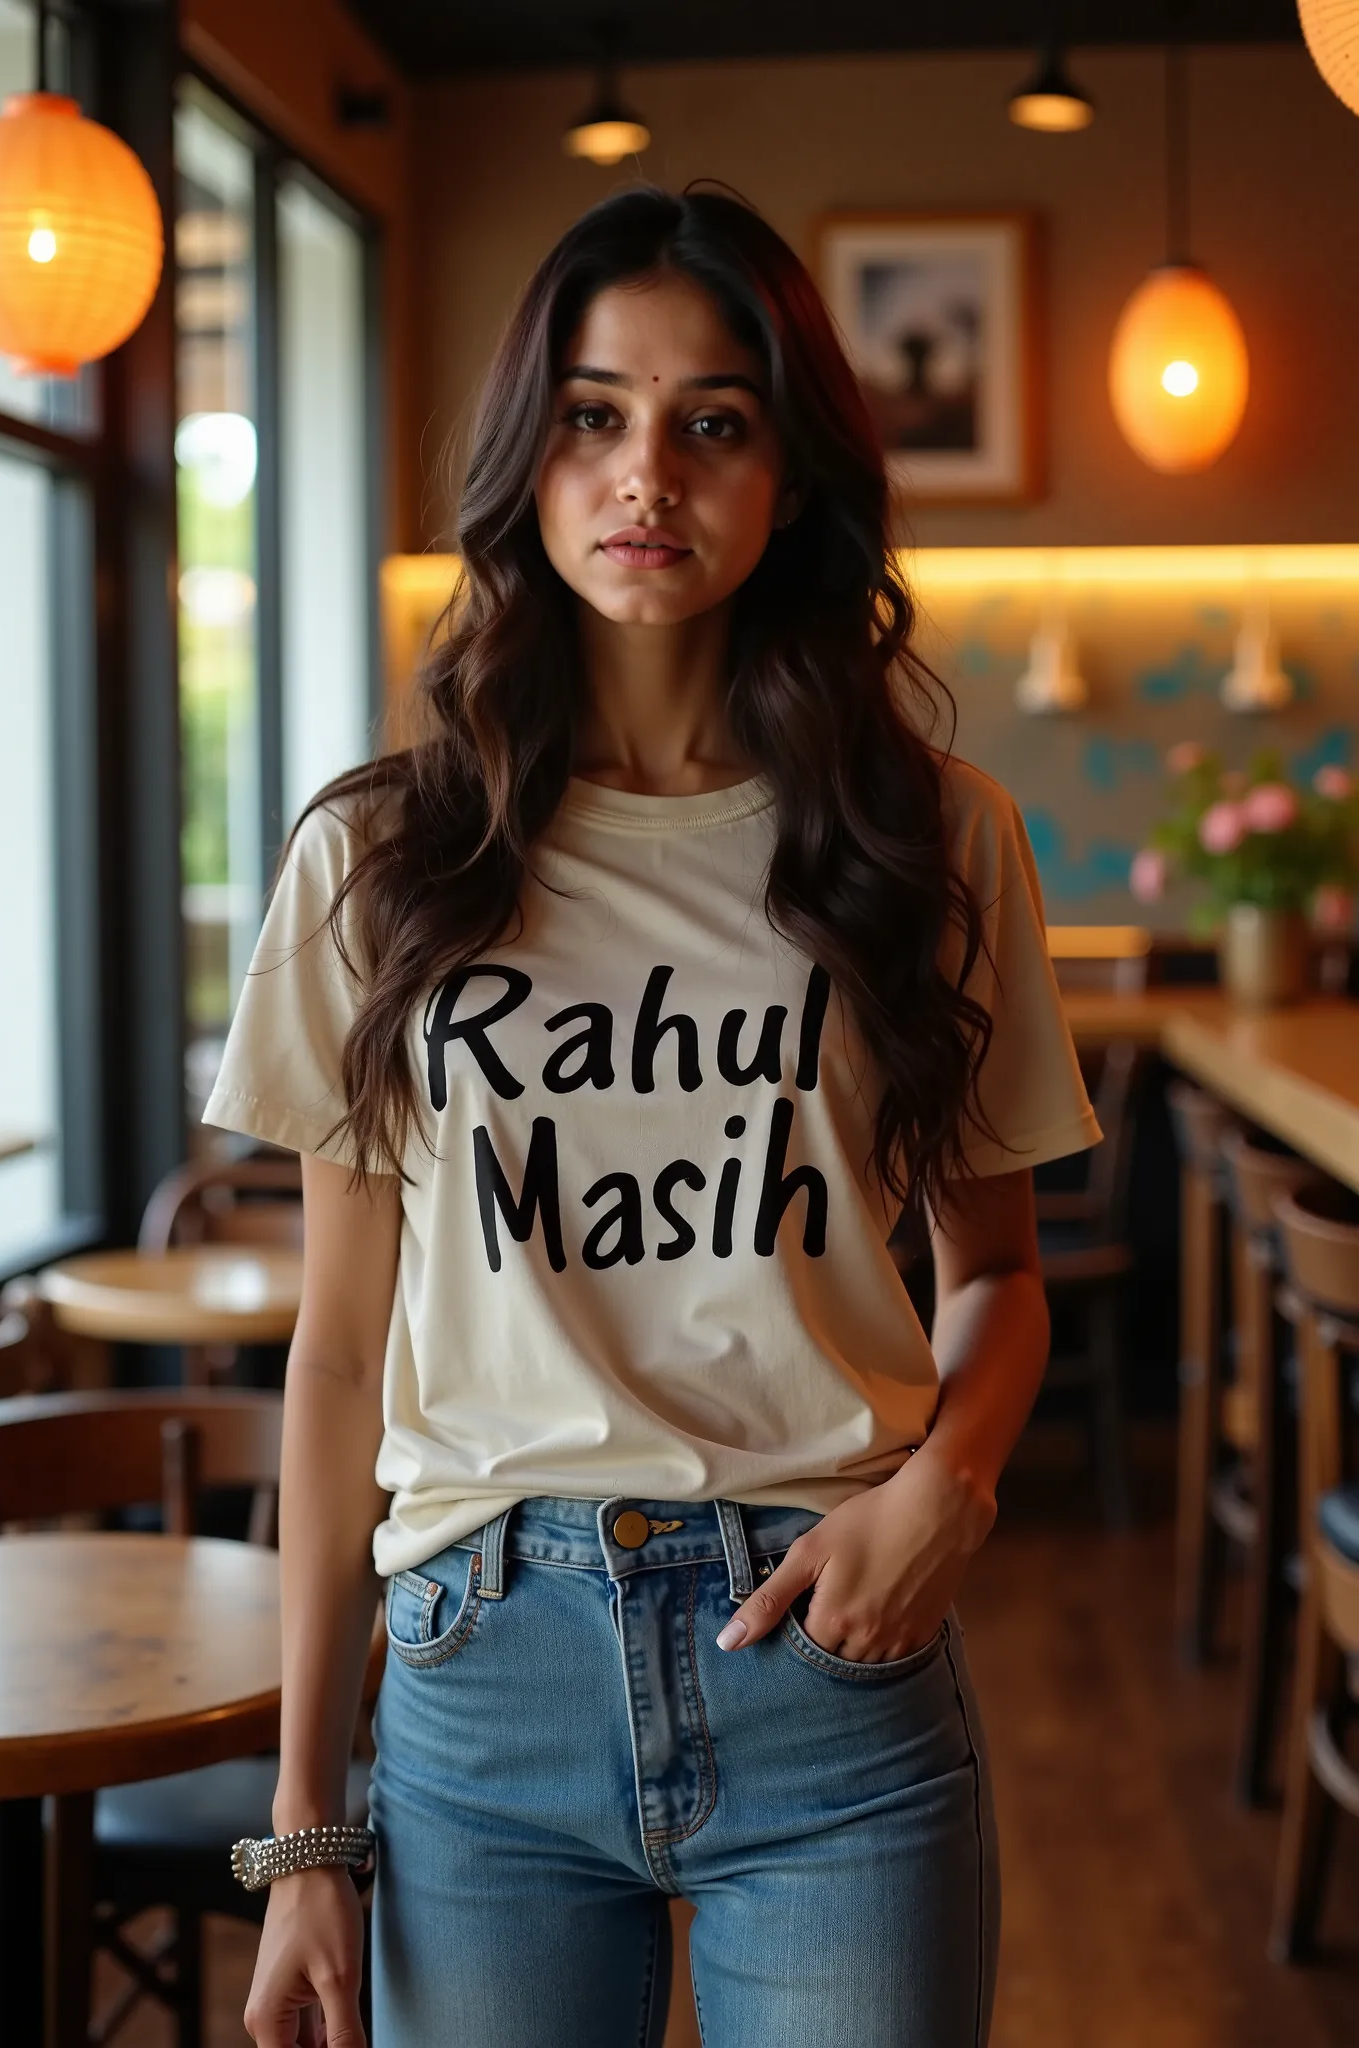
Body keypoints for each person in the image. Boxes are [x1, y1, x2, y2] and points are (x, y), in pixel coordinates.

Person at [209, 184, 1101, 2048]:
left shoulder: (929, 840)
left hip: (828, 1660)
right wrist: (307, 1835)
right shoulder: (383, 859)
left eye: (714, 423)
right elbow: (336, 1354)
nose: (648, 475)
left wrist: (951, 1487)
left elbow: (1001, 1277)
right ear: (528, 456)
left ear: (792, 474)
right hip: (483, 1669)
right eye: (595, 415)